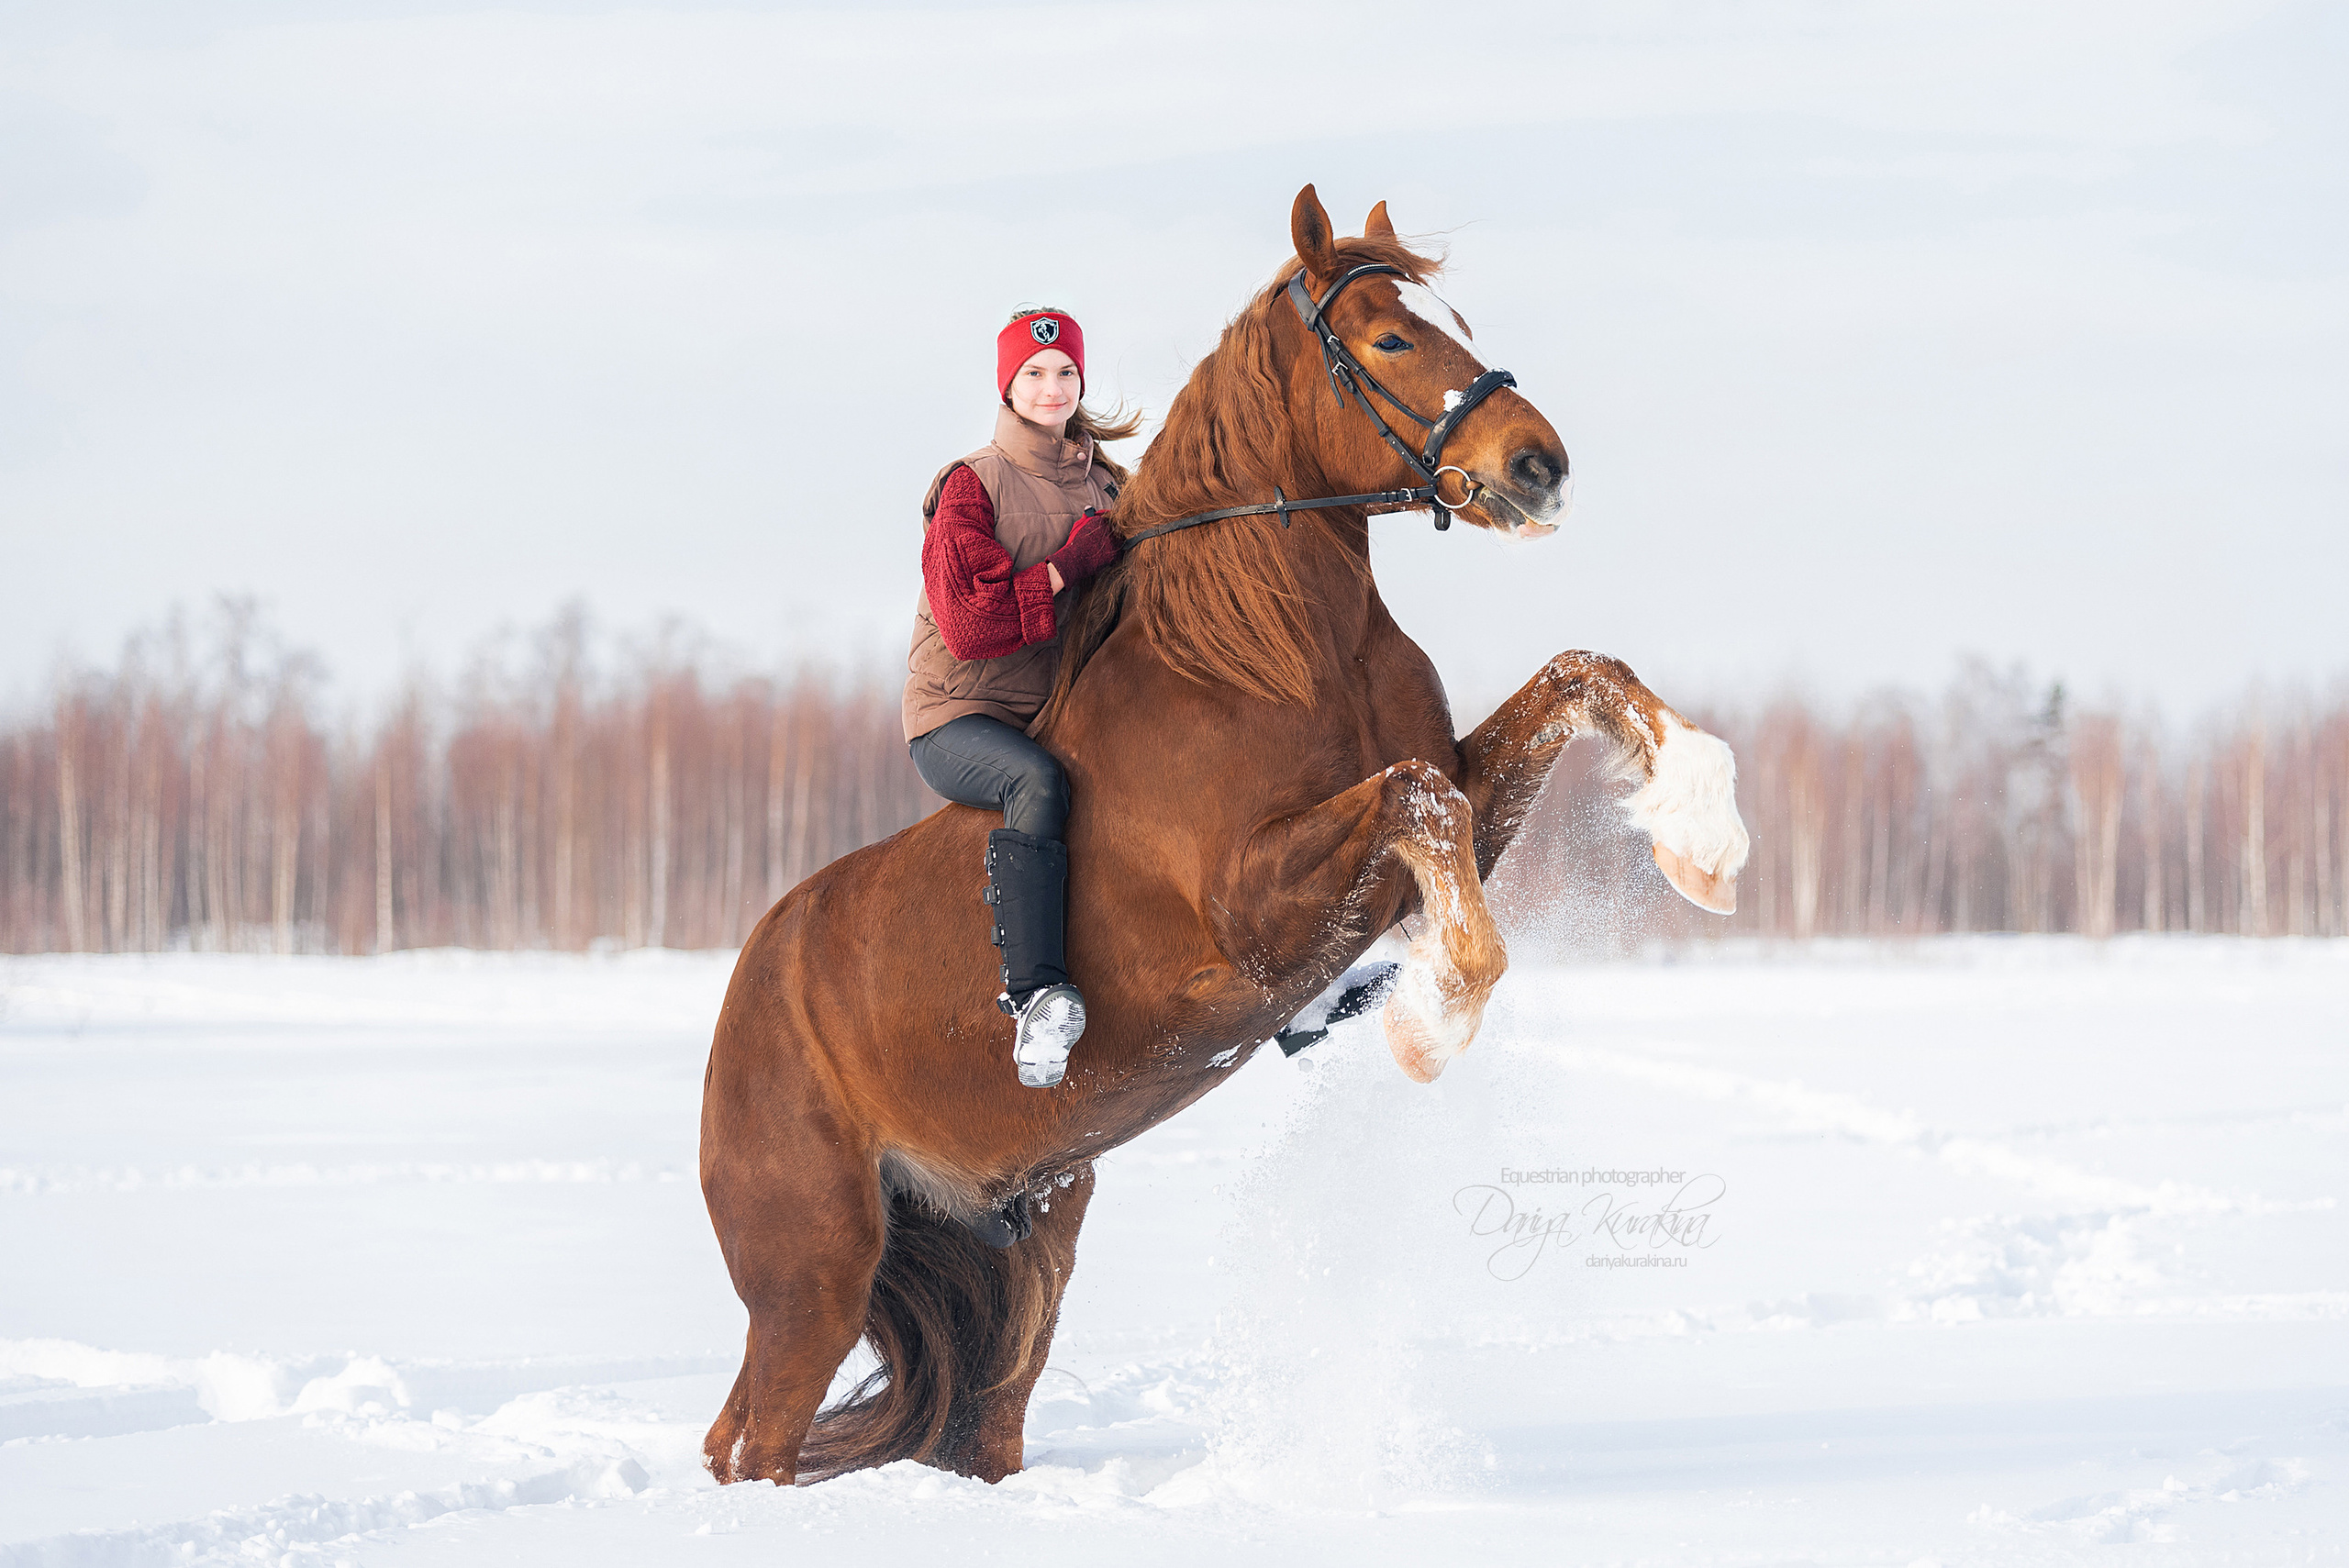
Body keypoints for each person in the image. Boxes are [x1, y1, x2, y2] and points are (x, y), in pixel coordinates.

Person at [903, 306, 1134, 1088]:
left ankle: (1295, 999)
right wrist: (1068, 567)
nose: (1051, 385)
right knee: (1034, 781)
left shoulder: (1108, 484)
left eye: (1065, 371)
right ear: (1007, 384)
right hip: (959, 718)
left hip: (1055, 711)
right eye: (1033, 373)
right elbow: (969, 624)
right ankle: (1035, 998)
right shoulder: (970, 484)